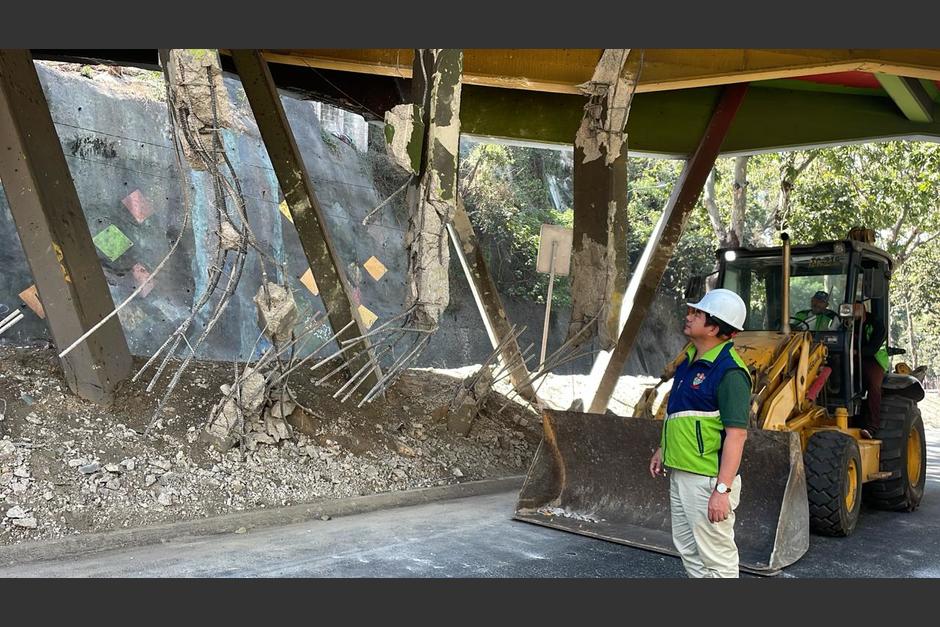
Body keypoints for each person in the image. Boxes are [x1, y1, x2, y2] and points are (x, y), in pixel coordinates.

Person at [649, 288, 751, 578]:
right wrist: (662, 449)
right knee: (690, 551)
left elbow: (737, 435)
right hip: (682, 472)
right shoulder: (689, 360)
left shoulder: (730, 373)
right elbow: (681, 414)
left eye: (697, 313)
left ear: (715, 327)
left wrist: (722, 491)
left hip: (707, 481)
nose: (689, 316)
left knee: (716, 560)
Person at [854, 301, 889, 439]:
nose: (851, 310)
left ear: (862, 308)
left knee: (874, 386)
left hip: (875, 360)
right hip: (855, 358)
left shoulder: (876, 323)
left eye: (854, 307)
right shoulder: (848, 323)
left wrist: (857, 352)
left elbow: (873, 347)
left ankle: (872, 427)